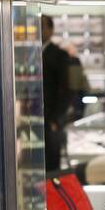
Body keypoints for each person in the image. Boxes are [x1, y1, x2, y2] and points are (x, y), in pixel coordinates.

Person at [41, 15, 68, 173]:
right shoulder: (26, 53)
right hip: (32, 119)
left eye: (42, 26)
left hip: (51, 118)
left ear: (51, 30)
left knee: (51, 163)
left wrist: (57, 118)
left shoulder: (59, 55)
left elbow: (65, 89)